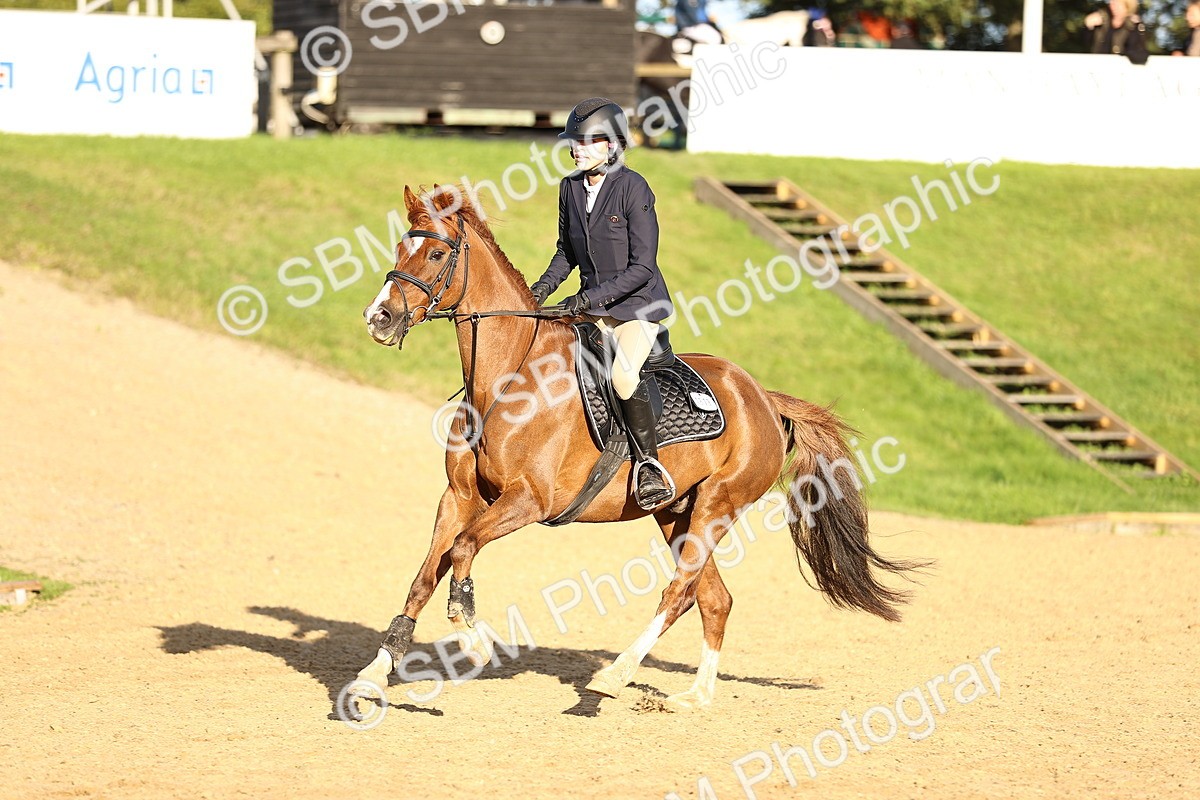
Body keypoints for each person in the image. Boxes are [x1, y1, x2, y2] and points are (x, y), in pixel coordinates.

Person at [530, 98, 677, 511]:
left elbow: (642, 266)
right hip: (591, 309)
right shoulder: (570, 188)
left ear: (612, 145)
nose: (578, 149)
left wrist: (584, 299)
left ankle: (650, 464)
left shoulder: (634, 188)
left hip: (637, 308)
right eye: (574, 141)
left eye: (588, 141)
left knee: (624, 378)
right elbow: (566, 253)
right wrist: (538, 292)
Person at [1085, 0, 1149, 65]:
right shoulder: (1101, 19)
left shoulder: (1133, 26)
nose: (1113, 6)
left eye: (1117, 4)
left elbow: (1140, 55)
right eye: (1112, 2)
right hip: (1097, 65)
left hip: (1120, 69)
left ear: (1127, 6)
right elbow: (1085, 44)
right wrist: (1089, 26)